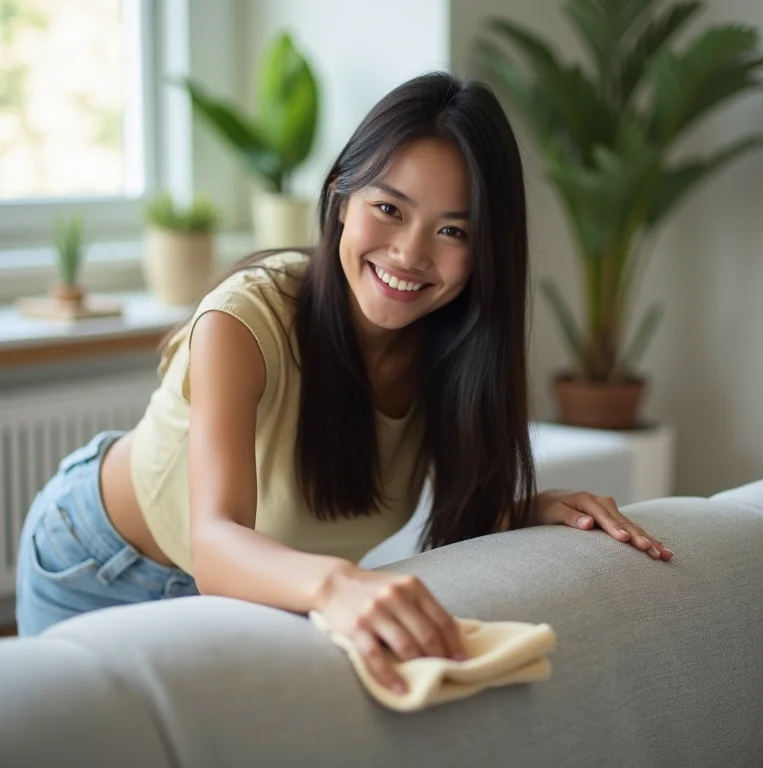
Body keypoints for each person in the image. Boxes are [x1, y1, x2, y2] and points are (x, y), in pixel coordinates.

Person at [14, 71, 673, 692]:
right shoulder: (244, 320)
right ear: (340, 200)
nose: (410, 254)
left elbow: (448, 510)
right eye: (389, 208)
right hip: (98, 563)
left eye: (452, 231)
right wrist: (339, 586)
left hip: (253, 597)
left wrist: (530, 507)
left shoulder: (454, 354)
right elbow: (215, 545)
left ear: (486, 253)